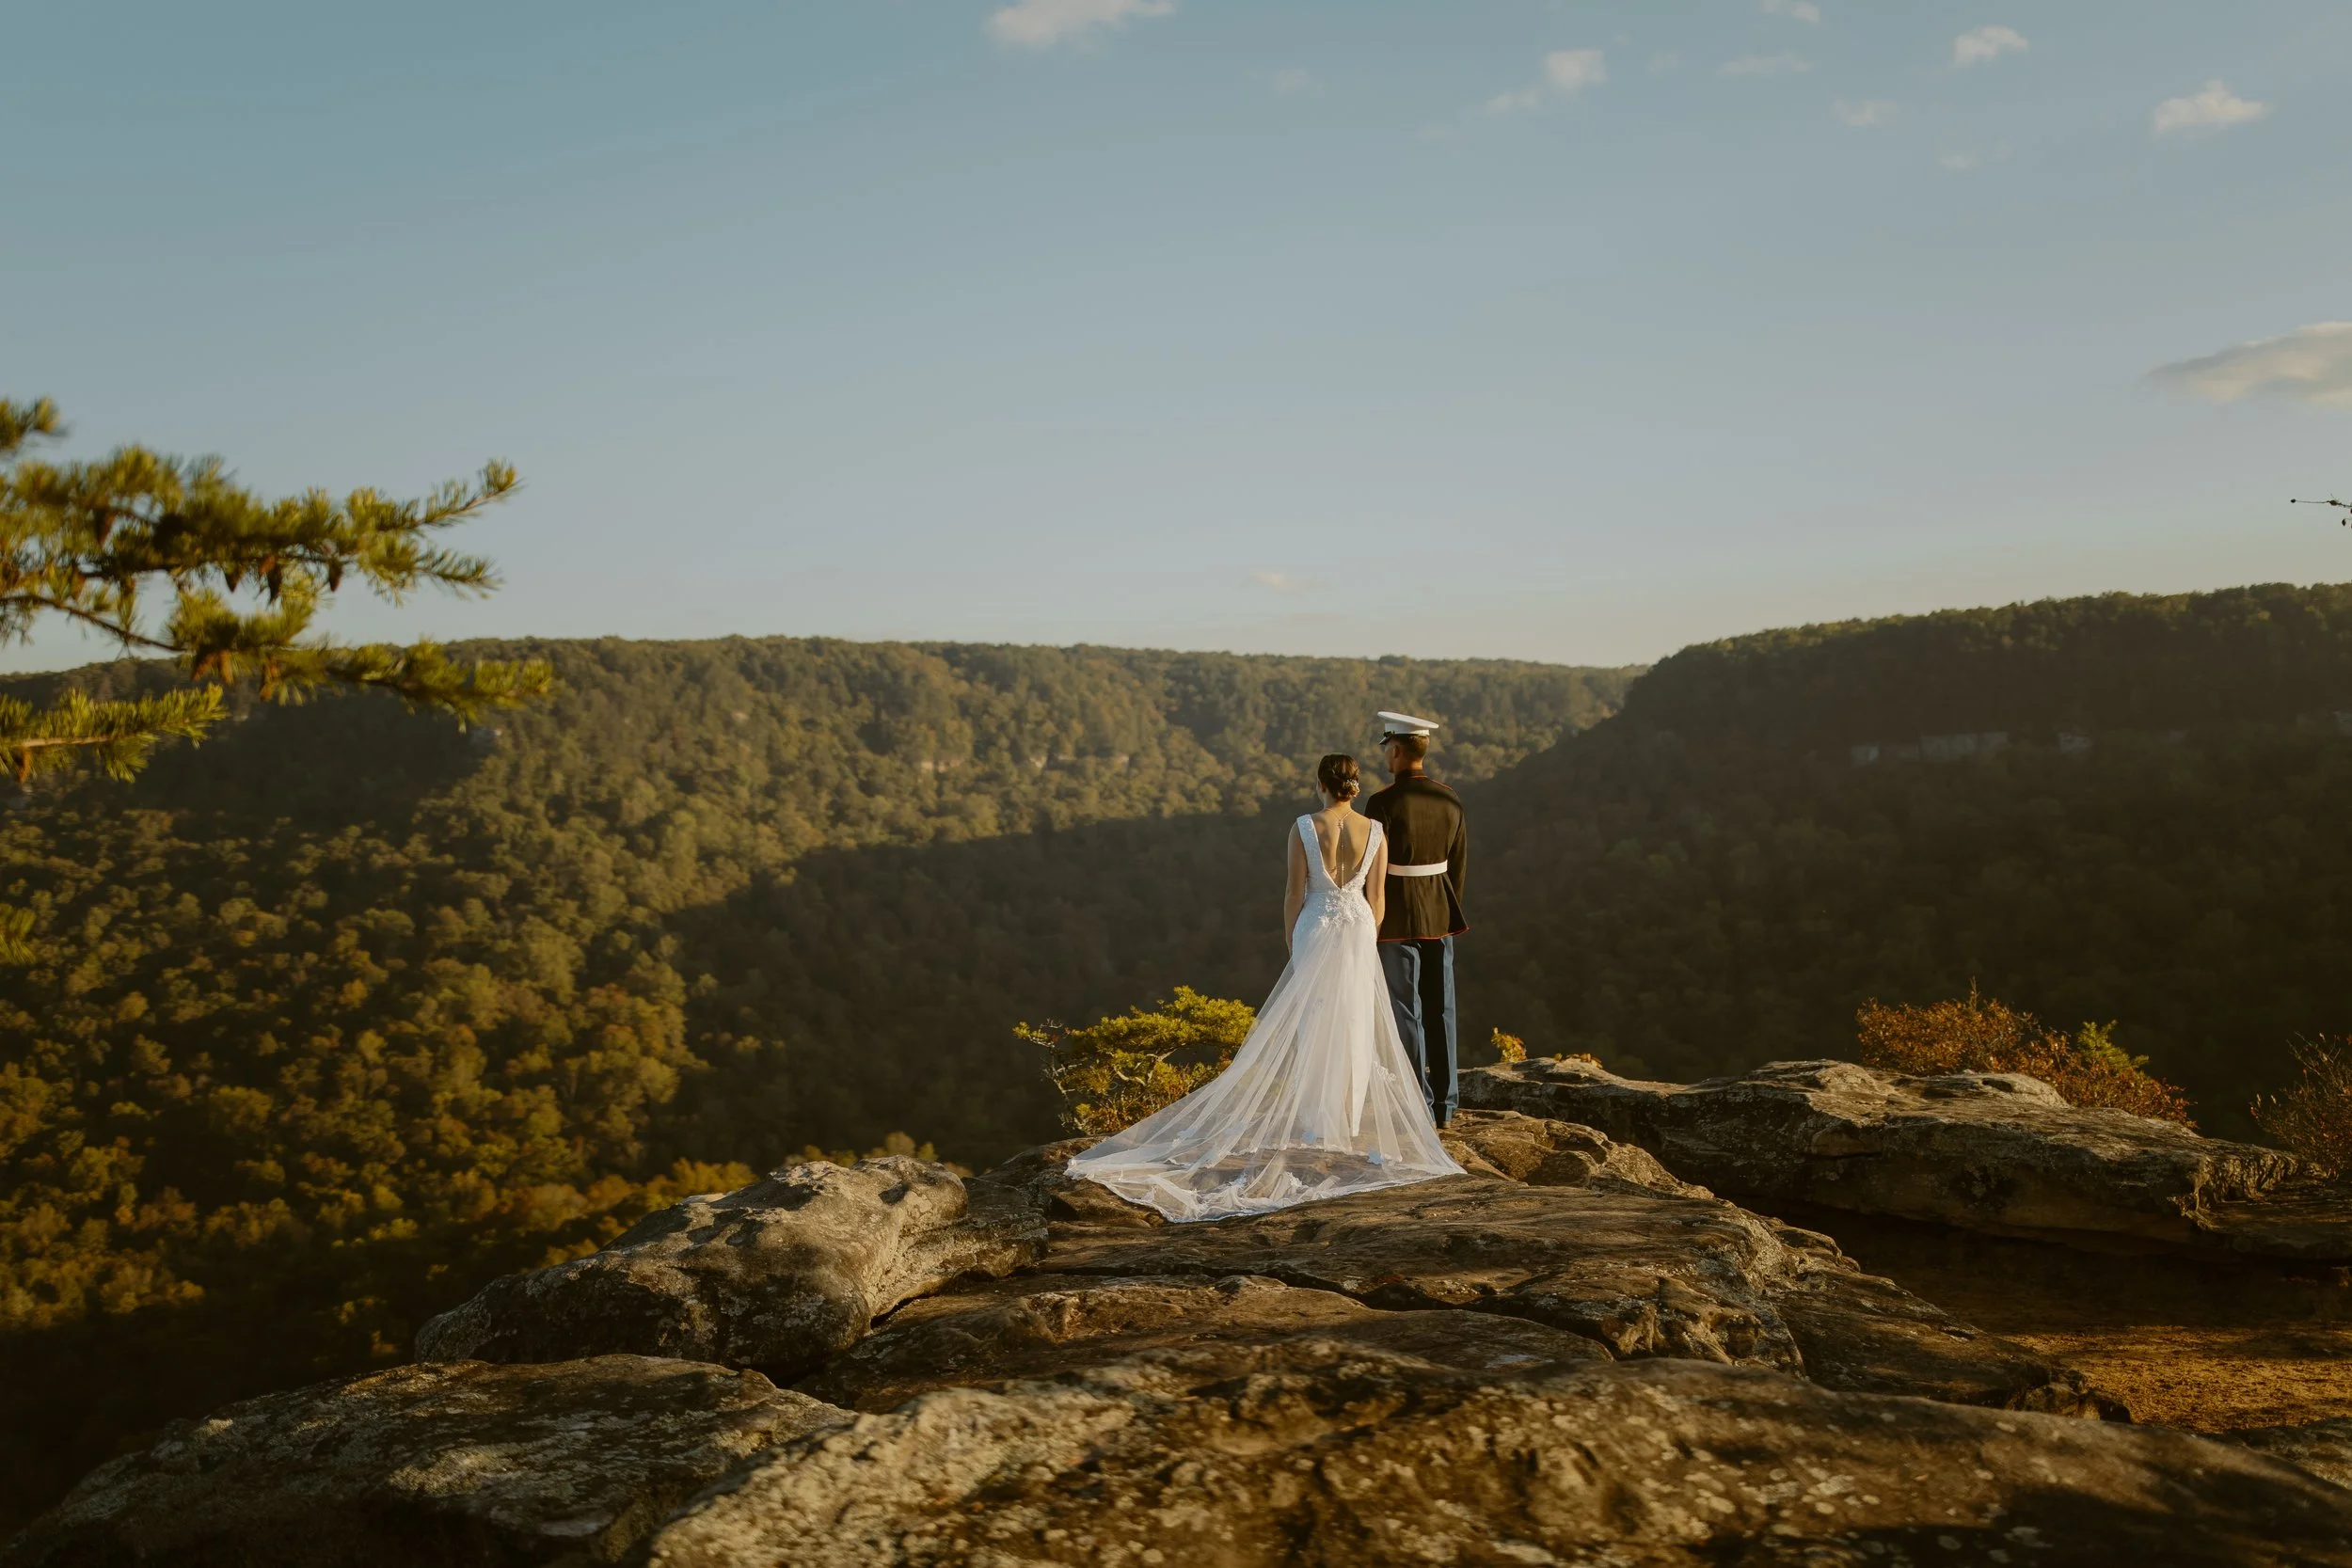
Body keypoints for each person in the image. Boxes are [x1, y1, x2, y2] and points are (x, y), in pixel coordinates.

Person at [1065, 752, 1464, 1222]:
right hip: (1358, 926)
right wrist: (1363, 934)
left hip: (1316, 923)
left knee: (1315, 1016)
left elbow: (1294, 893)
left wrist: (1295, 941)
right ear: (1354, 787)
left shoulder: (1302, 827)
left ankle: (1318, 1119)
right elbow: (1377, 900)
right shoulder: (1375, 831)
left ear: (1321, 784)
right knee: (1354, 1017)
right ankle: (1347, 1118)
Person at [1360, 711, 1468, 1129]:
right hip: (1440, 913)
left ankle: (1415, 1104)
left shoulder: (1382, 803)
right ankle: (1446, 1104)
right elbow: (1457, 865)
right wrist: (1446, 904)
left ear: (1399, 749)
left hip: (1396, 918)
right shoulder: (1450, 798)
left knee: (1406, 1011)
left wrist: (1370, 914)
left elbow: (1373, 867)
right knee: (1443, 1009)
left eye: (1387, 747)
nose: (1386, 754)